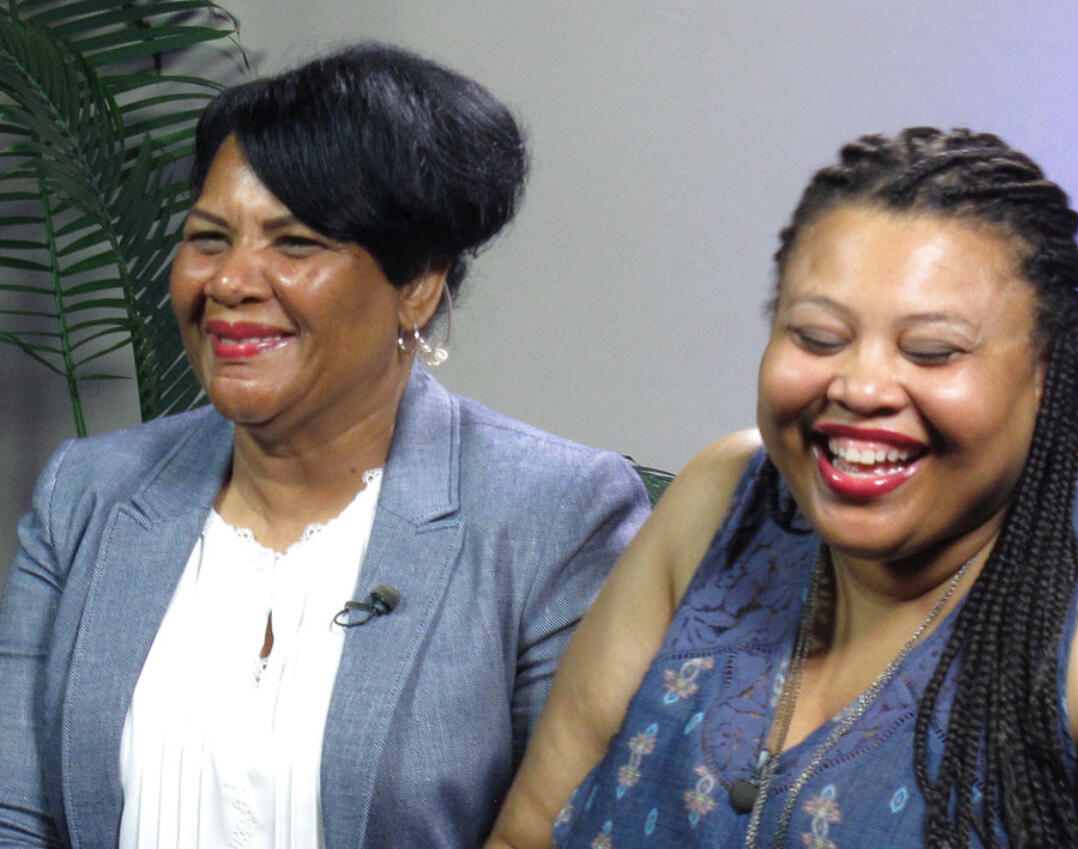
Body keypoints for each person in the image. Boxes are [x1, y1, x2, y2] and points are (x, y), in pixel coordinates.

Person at [485, 127, 1078, 849]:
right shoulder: (726, 495)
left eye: (932, 351)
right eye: (817, 336)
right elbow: (527, 834)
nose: (863, 385)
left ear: (1046, 372)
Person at [0, 44, 650, 848]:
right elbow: (15, 814)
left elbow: (576, 830)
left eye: (295, 243)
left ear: (418, 284)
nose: (231, 282)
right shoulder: (89, 493)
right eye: (208, 239)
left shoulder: (555, 514)